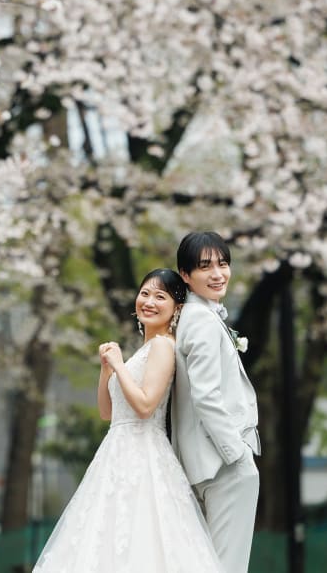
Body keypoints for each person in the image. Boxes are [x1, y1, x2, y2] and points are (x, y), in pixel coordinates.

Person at [32, 269, 223, 573]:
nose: (149, 301)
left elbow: (146, 406)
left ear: (177, 308)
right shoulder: (143, 351)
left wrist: (119, 366)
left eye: (160, 296)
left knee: (142, 534)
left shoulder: (163, 346)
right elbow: (108, 413)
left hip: (144, 451)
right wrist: (106, 369)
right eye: (145, 293)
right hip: (115, 452)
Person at [170, 231, 261, 573]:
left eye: (223, 264)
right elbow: (206, 396)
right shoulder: (201, 320)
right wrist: (235, 454)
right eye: (205, 266)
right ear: (185, 274)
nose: (218, 273)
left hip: (205, 463)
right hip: (224, 465)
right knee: (227, 565)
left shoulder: (192, 317)